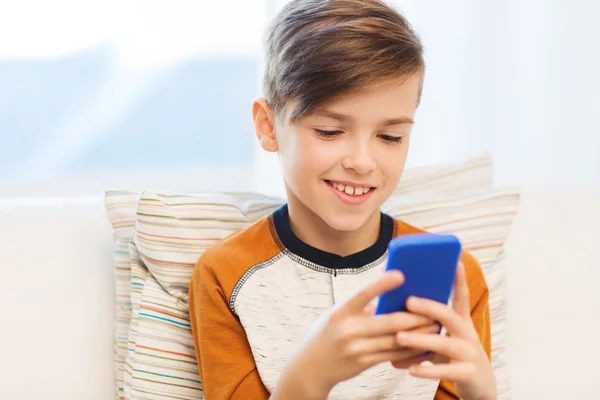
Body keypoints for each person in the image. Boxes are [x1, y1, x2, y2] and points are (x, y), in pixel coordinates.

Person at [188, 0, 496, 399]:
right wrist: (309, 376)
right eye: (331, 131)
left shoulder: (455, 277)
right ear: (269, 126)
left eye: (390, 137)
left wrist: (482, 393)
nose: (362, 162)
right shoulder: (224, 276)